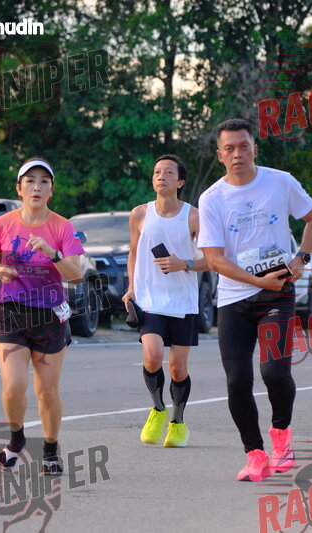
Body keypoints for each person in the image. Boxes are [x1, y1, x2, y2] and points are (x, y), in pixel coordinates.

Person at [198, 118, 312, 482]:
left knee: (274, 373)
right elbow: (214, 259)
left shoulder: (280, 182)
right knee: (237, 381)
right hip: (234, 300)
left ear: (255, 148)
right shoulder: (211, 199)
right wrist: (257, 281)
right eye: (230, 148)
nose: (238, 154)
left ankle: (281, 436)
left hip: (277, 296)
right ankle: (254, 454)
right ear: (220, 155)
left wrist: (301, 258)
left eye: (244, 146)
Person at [0, 157, 84, 475]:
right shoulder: (3, 223)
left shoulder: (62, 226)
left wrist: (52, 254)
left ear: (51, 190)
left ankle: (50, 449)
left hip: (49, 317)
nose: (36, 187)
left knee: (46, 390)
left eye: (44, 182)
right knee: (14, 385)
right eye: (30, 181)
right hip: (10, 313)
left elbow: (76, 274)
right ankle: (16, 440)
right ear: (19, 188)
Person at [122, 154, 208, 448]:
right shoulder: (139, 214)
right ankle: (158, 409)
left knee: (178, 369)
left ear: (180, 182)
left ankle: (178, 422)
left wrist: (184, 263)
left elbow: (213, 259)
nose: (161, 176)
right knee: (152, 356)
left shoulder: (194, 216)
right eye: (157, 172)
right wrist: (131, 288)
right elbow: (133, 253)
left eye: (169, 172)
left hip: (183, 302)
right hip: (150, 299)